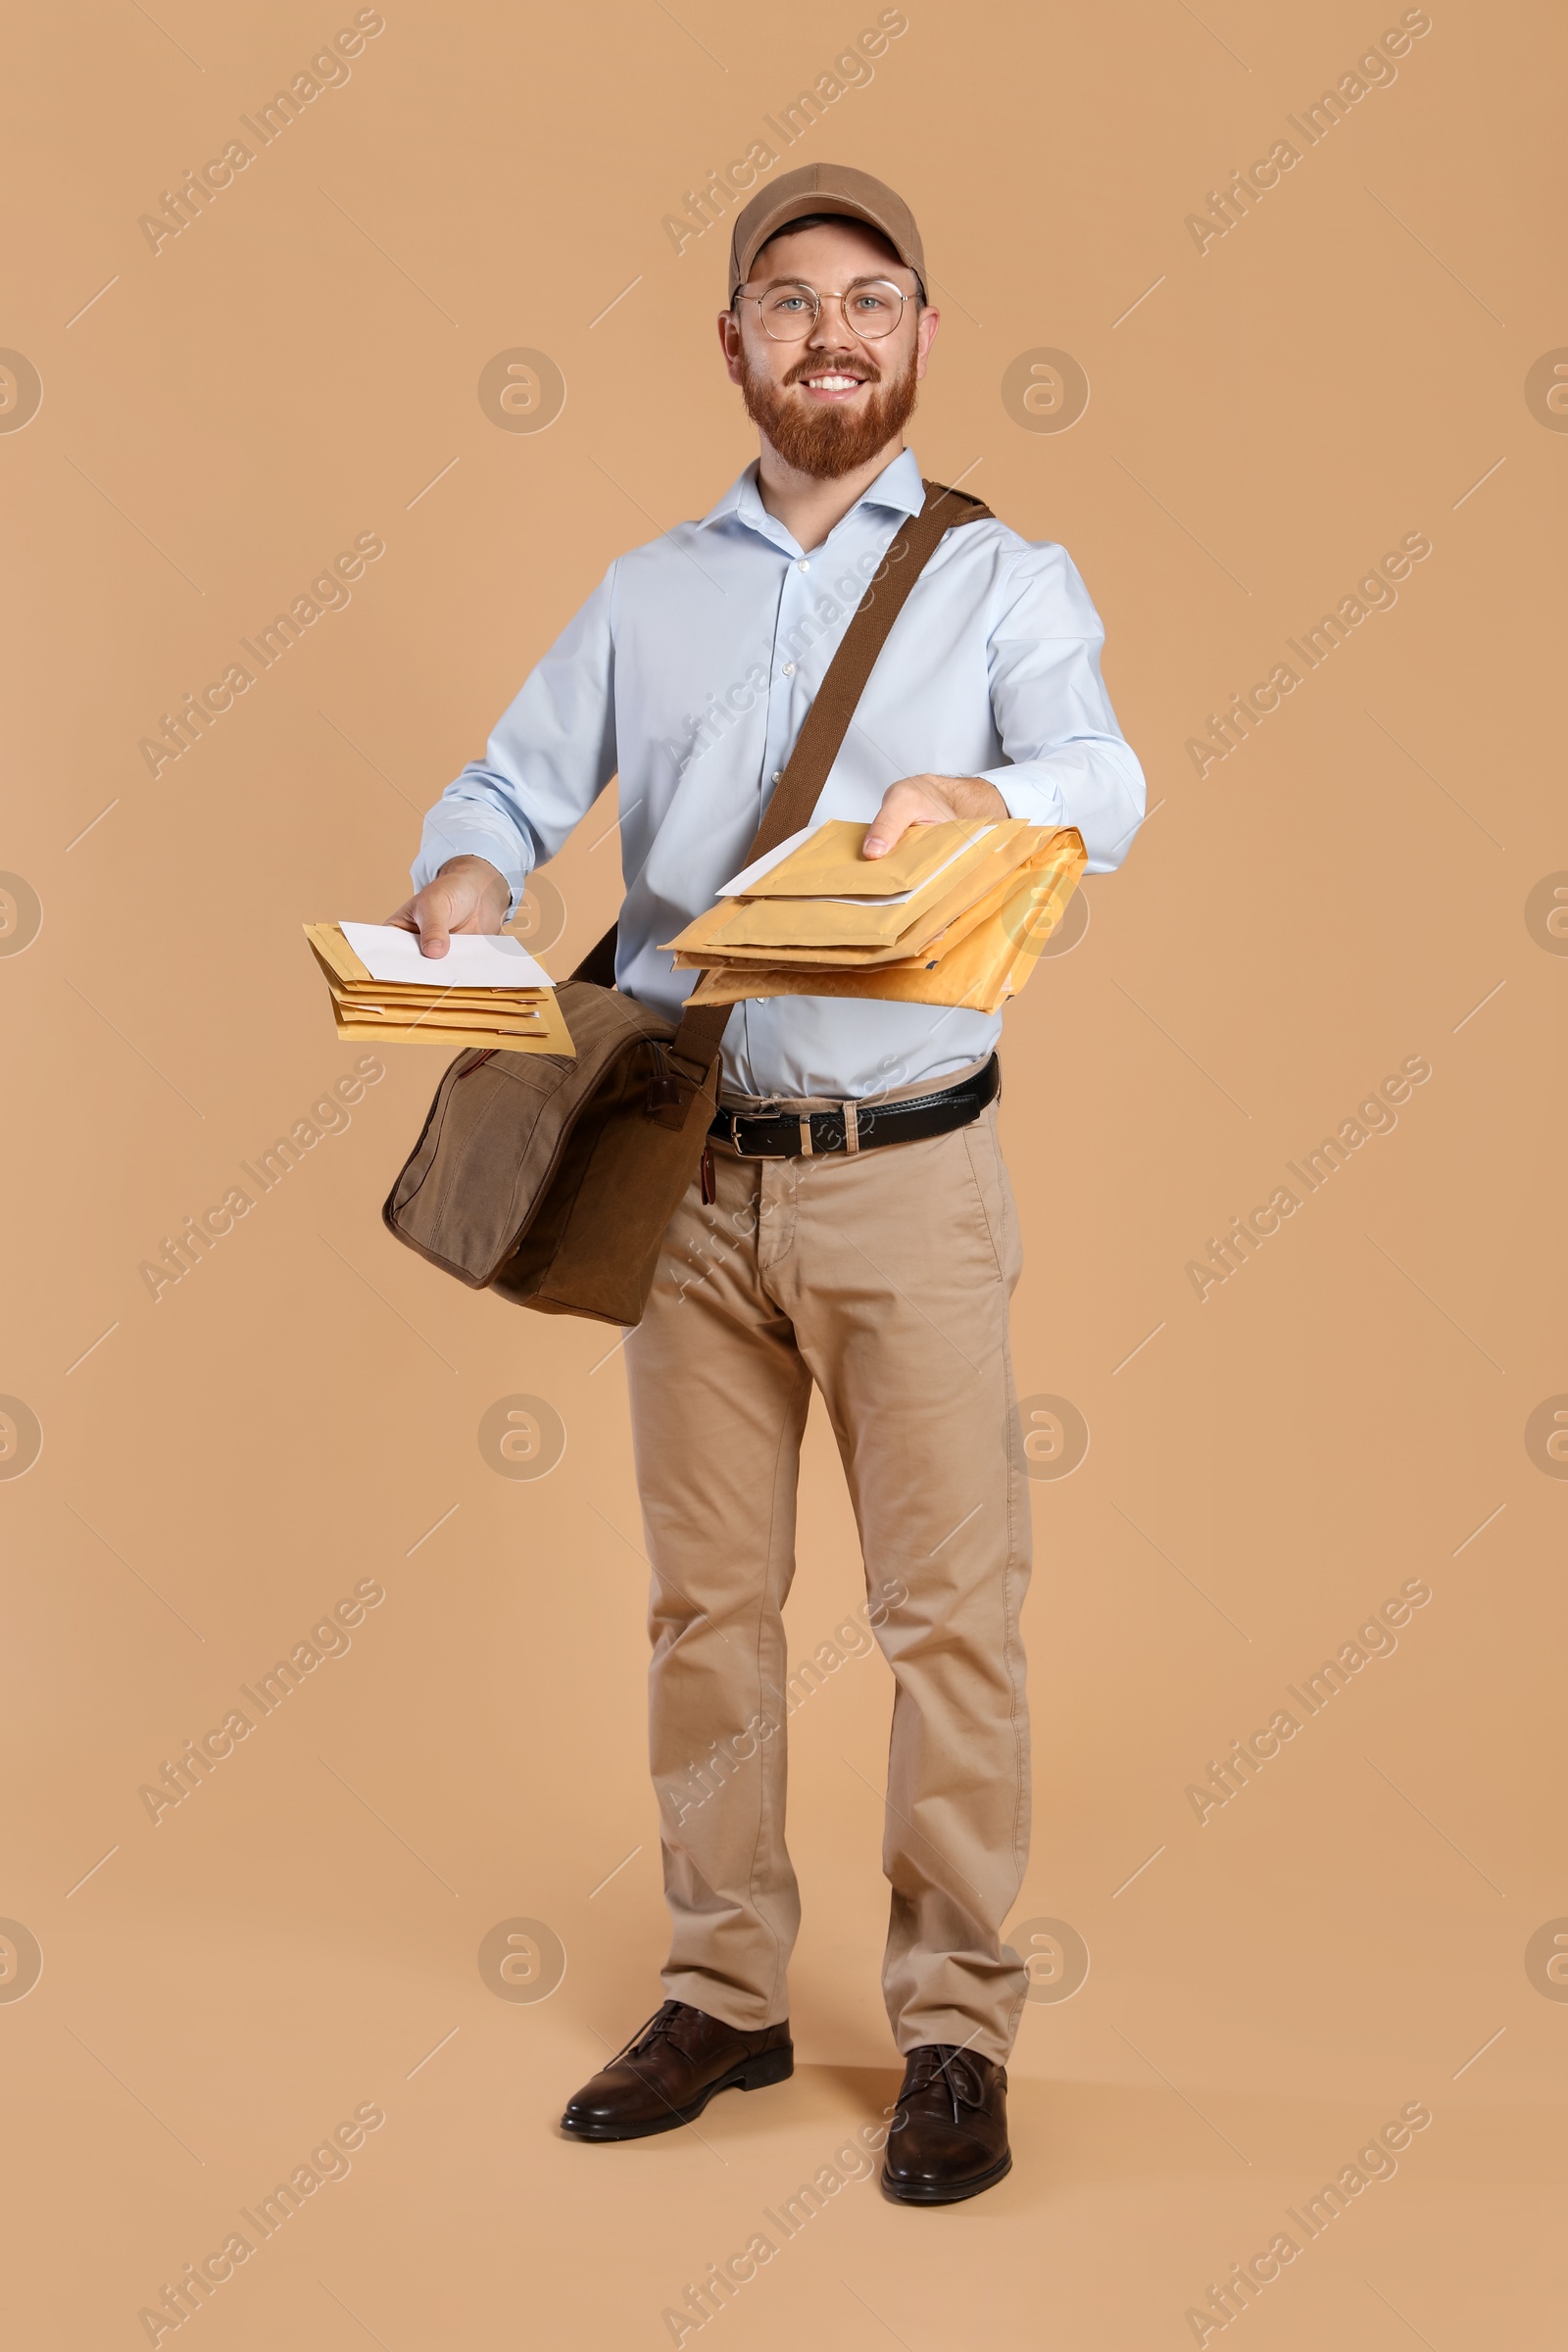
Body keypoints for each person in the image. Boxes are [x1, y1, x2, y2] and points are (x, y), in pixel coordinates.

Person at [390, 162, 1145, 2202]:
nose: (832, 330)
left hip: (909, 1176)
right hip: (685, 1187)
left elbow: (1112, 784)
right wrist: (466, 867)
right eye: (789, 298)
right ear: (731, 341)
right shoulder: (646, 592)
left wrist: (979, 791)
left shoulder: (1004, 582)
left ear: (919, 336)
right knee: (705, 1615)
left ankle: (954, 2027)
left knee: (949, 1620)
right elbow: (508, 780)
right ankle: (724, 1988)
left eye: (873, 297)